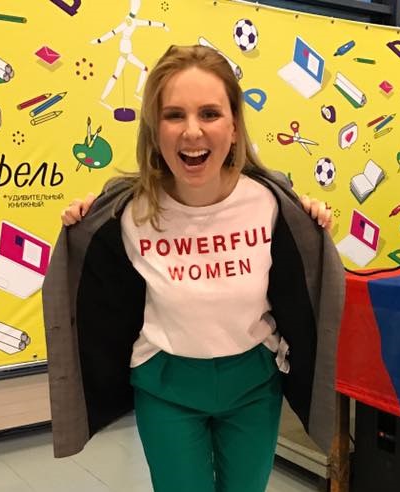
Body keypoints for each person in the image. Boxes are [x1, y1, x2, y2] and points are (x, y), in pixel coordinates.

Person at [41, 45, 344, 492]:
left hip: (253, 385)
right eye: (174, 115)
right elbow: (94, 284)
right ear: (154, 128)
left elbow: (304, 283)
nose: (192, 131)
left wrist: (312, 221)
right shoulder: (126, 213)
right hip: (166, 387)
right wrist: (82, 224)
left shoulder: (273, 205)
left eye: (209, 113)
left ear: (234, 126)